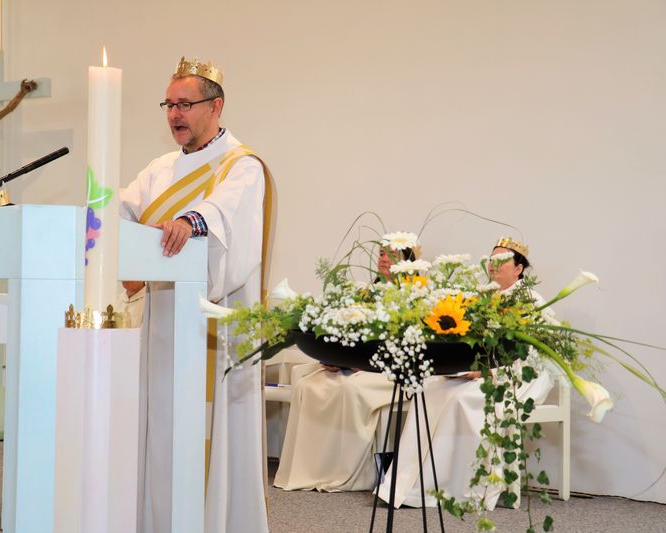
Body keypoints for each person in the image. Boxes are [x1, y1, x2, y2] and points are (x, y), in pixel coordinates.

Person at [119, 57, 274, 533]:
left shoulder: (242, 166)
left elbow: (222, 215)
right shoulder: (159, 168)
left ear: (216, 106)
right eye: (169, 104)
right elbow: (123, 209)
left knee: (205, 429)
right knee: (161, 425)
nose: (174, 114)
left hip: (214, 323)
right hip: (163, 322)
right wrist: (94, 216)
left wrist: (190, 222)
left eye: (185, 104)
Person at [376, 237, 555, 510]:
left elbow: (535, 356)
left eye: (502, 260)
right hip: (478, 371)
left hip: (515, 376)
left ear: (519, 269)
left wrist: (490, 372)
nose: (493, 264)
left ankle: (453, 488)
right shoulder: (484, 297)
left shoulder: (531, 301)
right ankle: (403, 484)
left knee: (462, 400)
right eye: (491, 259)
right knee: (429, 390)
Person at [273, 245, 414, 492]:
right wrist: (334, 358)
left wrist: (361, 364)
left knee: (351, 389)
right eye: (381, 253)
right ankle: (312, 469)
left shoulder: (414, 298)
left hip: (391, 371)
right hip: (356, 365)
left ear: (407, 262)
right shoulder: (364, 293)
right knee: (309, 385)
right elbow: (349, 333)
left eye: (393, 254)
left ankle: (344, 471)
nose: (384, 259)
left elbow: (408, 346)